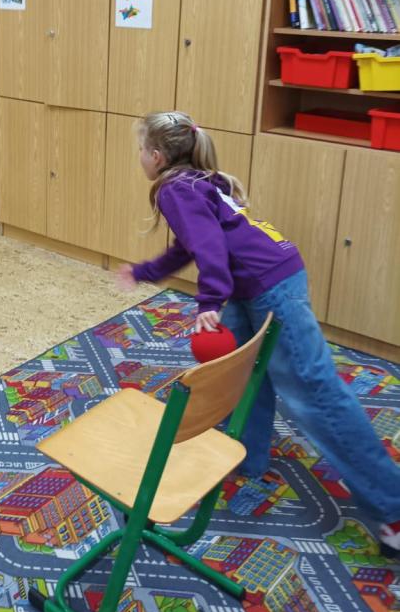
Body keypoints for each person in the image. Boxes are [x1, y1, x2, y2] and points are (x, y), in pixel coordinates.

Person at [117, 110, 400, 552]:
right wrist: (145, 271)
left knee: (316, 392)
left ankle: (393, 509)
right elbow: (192, 245)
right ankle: (244, 456)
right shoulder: (197, 181)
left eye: (140, 149)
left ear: (155, 156)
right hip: (261, 278)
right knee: (241, 371)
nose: (139, 157)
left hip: (269, 286)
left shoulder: (175, 189)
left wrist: (208, 303)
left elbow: (209, 247)